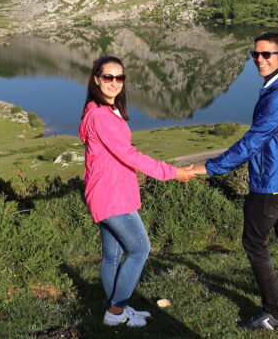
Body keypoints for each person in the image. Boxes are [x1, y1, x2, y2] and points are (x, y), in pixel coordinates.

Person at [191, 32, 278, 331]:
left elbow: (252, 142)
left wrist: (210, 167)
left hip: (272, 180)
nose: (259, 59)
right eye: (255, 55)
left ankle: (274, 312)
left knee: (255, 244)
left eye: (267, 54)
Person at [79, 55, 196, 329]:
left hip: (105, 192)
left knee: (112, 255)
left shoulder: (101, 110)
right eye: (108, 77)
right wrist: (173, 172)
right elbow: (129, 155)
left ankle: (114, 311)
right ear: (96, 78)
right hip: (112, 196)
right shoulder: (100, 116)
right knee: (140, 249)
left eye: (119, 77)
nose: (114, 83)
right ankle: (117, 309)